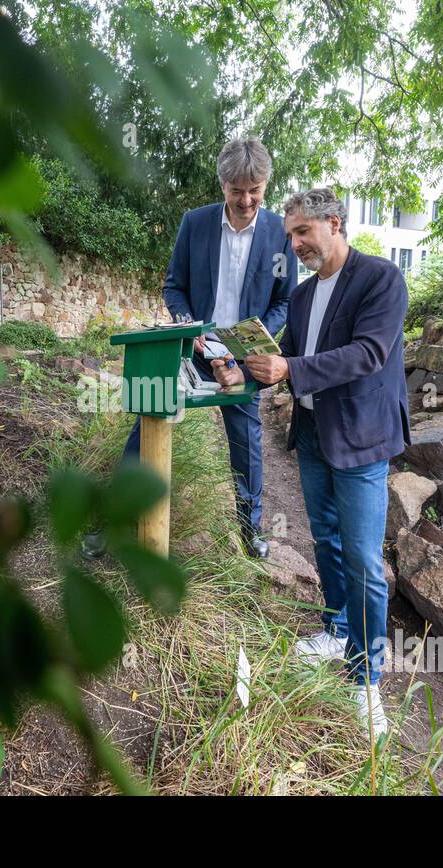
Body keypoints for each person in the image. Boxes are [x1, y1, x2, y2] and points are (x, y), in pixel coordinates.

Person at [212, 187, 411, 735]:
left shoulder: (381, 280)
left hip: (361, 439)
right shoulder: (300, 298)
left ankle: (367, 679)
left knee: (366, 560)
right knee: (324, 538)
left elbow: (368, 354)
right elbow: (285, 358)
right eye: (290, 235)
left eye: (303, 232)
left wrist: (291, 371)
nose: (295, 243)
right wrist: (242, 370)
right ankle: (336, 626)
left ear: (335, 223)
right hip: (313, 435)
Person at [122, 137, 296, 559]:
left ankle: (248, 528)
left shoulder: (280, 233)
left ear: (265, 186)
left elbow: (284, 300)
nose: (247, 199)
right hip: (192, 348)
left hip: (242, 357)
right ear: (223, 186)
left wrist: (252, 339)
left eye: (255, 190)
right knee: (148, 416)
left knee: (247, 442)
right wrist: (187, 325)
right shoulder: (195, 223)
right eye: (237, 190)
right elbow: (174, 286)